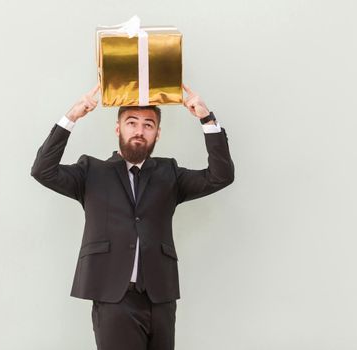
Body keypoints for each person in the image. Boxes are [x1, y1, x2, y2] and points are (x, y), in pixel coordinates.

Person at [30, 83, 235, 350]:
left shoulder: (169, 173)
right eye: (131, 122)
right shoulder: (90, 172)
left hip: (160, 297)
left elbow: (221, 176)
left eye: (148, 125)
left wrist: (207, 120)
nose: (139, 131)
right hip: (114, 298)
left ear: (157, 134)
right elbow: (42, 170)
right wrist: (72, 117)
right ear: (118, 128)